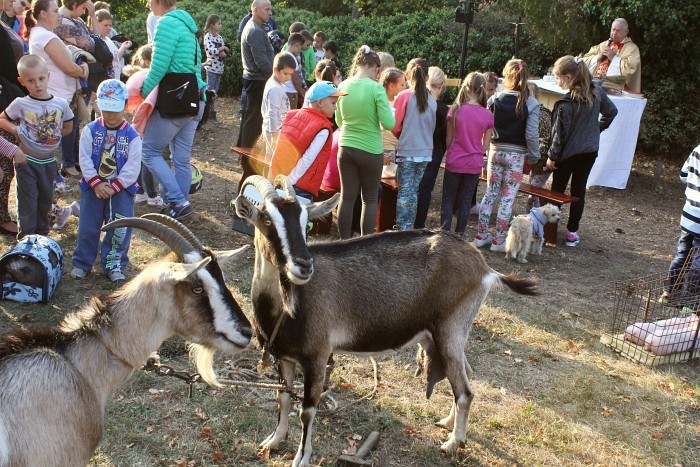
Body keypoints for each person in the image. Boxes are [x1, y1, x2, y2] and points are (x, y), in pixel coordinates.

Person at [140, 0, 205, 220]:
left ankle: (178, 200)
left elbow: (159, 66)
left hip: (175, 102)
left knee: (148, 151)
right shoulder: (187, 25)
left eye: (149, 0)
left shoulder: (166, 24)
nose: (148, 4)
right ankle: (175, 207)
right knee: (181, 159)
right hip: (195, 99)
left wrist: (142, 92)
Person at [71, 79, 141, 283]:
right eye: (106, 110)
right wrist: (95, 182)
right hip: (93, 189)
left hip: (121, 191)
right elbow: (83, 158)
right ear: (98, 105)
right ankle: (82, 263)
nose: (110, 116)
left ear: (125, 106)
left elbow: (133, 166)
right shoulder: (90, 131)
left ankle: (114, 264)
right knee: (88, 226)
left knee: (119, 229)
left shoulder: (132, 136)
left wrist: (116, 185)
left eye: (115, 110)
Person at [546, 55, 617, 247]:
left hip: (567, 154)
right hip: (589, 151)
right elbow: (612, 111)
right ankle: (572, 233)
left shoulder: (565, 104)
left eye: (558, 77)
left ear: (568, 77)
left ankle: (550, 230)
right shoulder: (598, 93)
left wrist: (551, 156)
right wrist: (596, 129)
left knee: (557, 191)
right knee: (579, 191)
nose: (557, 81)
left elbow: (559, 135)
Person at [0, 54, 73, 239]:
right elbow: (2, 119)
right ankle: (26, 239)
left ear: (48, 76)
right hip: (26, 161)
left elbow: (68, 126)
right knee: (27, 202)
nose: (37, 84)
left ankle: (42, 235)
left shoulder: (60, 104)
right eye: (31, 81)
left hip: (48, 161)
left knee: (45, 200)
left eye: (41, 79)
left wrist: (50, 137)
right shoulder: (21, 103)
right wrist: (16, 130)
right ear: (22, 81)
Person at [474, 59, 540, 252]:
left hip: (495, 151)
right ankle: (499, 240)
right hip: (517, 155)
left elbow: (487, 126)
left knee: (490, 193)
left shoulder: (494, 99)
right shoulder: (531, 102)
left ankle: (481, 234)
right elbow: (531, 134)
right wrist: (534, 156)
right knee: (507, 197)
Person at [336, 45, 395, 238]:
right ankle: (364, 244)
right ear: (376, 68)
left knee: (347, 197)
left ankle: (342, 243)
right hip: (370, 149)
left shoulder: (343, 85)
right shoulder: (376, 88)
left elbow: (338, 120)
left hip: (346, 147)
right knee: (369, 199)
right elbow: (389, 122)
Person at [26, 0, 88, 181]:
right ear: (43, 14)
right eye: (55, 10)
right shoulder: (45, 37)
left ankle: (70, 164)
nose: (59, 14)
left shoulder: (44, 34)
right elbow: (68, 67)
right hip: (58, 95)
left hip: (61, 93)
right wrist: (83, 70)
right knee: (62, 133)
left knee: (71, 128)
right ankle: (66, 167)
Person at [269, 81, 346, 201]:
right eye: (333, 103)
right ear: (320, 102)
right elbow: (308, 158)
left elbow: (279, 146)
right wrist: (289, 182)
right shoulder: (323, 128)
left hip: (279, 178)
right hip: (299, 186)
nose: (335, 107)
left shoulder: (291, 115)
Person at [440, 72, 493, 235]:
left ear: (466, 88)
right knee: (465, 201)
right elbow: (485, 146)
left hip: (455, 160)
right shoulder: (488, 115)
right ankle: (459, 236)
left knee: (448, 198)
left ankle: (444, 234)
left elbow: (449, 138)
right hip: (474, 163)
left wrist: (448, 154)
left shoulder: (455, 110)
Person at [54, 0, 100, 177]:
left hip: (82, 77)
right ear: (74, 4)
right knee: (70, 121)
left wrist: (92, 16)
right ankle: (68, 163)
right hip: (71, 77)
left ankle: (75, 160)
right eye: (82, 7)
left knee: (76, 121)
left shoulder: (77, 21)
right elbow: (92, 44)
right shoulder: (62, 22)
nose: (83, 11)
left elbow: (96, 38)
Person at [391, 58, 436, 230]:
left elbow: (394, 125)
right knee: (414, 192)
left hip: (407, 150)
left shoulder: (404, 96)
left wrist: (402, 137)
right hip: (425, 152)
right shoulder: (431, 98)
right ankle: (409, 227)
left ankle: (402, 229)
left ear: (408, 74)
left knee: (404, 192)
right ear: (427, 77)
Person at [659, 144, 700, 303]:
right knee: (698, 261)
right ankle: (690, 302)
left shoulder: (697, 149)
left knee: (682, 255)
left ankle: (668, 293)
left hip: (689, 213)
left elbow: (683, 175)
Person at [0, 0, 27, 235]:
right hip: (3, 99)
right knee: (3, 167)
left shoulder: (4, 23)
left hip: (8, 96)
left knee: (5, 167)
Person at [236, 0, 274, 148]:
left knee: (249, 117)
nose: (270, 13)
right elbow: (262, 62)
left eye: (270, 9)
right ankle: (247, 155)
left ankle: (243, 149)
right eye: (267, 9)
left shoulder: (257, 28)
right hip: (257, 80)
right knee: (254, 119)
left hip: (255, 79)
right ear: (256, 10)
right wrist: (275, 77)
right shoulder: (255, 31)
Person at [415, 65, 447, 229]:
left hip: (416, 147)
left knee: (412, 186)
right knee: (425, 189)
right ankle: (419, 224)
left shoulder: (416, 100)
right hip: (434, 150)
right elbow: (444, 136)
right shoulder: (441, 108)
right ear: (441, 87)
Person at [583, 18, 641, 92]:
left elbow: (631, 69)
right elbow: (584, 60)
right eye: (613, 30)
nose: (614, 33)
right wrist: (598, 57)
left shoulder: (632, 49)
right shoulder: (603, 45)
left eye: (618, 31)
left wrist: (614, 58)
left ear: (626, 32)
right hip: (595, 87)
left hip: (617, 90)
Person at [525, 82, 553, 209]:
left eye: (529, 93)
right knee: (532, 190)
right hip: (535, 159)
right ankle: (532, 216)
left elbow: (545, 141)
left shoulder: (542, 114)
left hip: (543, 161)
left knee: (533, 192)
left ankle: (533, 219)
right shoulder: (530, 112)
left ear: (536, 95)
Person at [261, 52, 295, 156]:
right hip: (274, 131)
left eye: (291, 74)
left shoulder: (275, 83)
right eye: (285, 74)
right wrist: (274, 136)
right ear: (276, 70)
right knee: (273, 161)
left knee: (271, 160)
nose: (288, 78)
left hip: (273, 129)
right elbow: (272, 112)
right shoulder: (275, 88)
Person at [202, 14, 229, 125]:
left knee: (215, 92)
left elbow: (224, 53)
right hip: (211, 68)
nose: (220, 25)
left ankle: (212, 114)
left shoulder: (219, 37)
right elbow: (212, 50)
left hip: (219, 68)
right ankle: (206, 114)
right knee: (209, 91)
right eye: (218, 23)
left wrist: (222, 51)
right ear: (212, 25)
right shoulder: (207, 37)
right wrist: (222, 48)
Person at [95, 9, 130, 80]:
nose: (109, 28)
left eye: (110, 25)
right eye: (105, 25)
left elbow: (116, 59)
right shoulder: (95, 41)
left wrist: (123, 47)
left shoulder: (108, 40)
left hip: (115, 80)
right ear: (96, 24)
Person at [281, 32, 305, 110]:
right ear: (296, 45)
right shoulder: (291, 58)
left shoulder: (282, 55)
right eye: (300, 48)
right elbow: (295, 79)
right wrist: (302, 93)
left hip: (283, 90)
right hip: (291, 92)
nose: (300, 51)